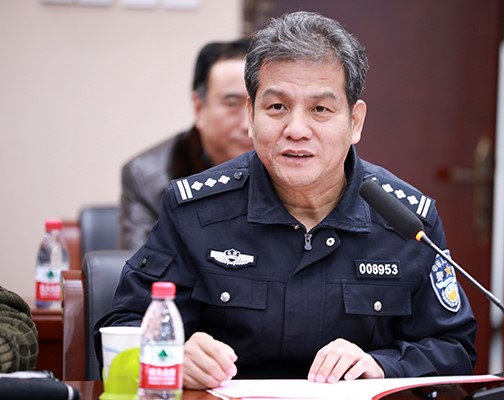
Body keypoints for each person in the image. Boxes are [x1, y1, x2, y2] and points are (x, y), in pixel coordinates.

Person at [97, 11, 477, 390]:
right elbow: (120, 331)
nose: (296, 130)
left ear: (355, 122)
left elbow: (454, 348)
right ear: (251, 116)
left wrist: (382, 365)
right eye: (277, 107)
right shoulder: (195, 212)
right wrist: (173, 356)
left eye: (320, 109)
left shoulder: (406, 221)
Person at [118, 38, 253, 250]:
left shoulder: (291, 166)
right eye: (232, 104)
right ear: (199, 107)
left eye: (258, 104)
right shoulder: (147, 175)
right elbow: (140, 263)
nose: (247, 124)